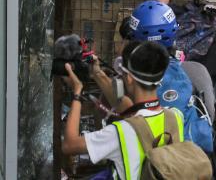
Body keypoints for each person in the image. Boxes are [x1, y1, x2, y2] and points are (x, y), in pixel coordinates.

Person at [62, 41, 187, 180]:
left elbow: (69, 145)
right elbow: (133, 111)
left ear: (128, 78)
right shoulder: (176, 116)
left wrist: (77, 91)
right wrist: (97, 73)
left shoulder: (121, 132)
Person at [91, 1, 216, 133]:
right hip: (190, 151)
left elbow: (101, 123)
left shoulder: (126, 81)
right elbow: (209, 117)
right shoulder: (197, 70)